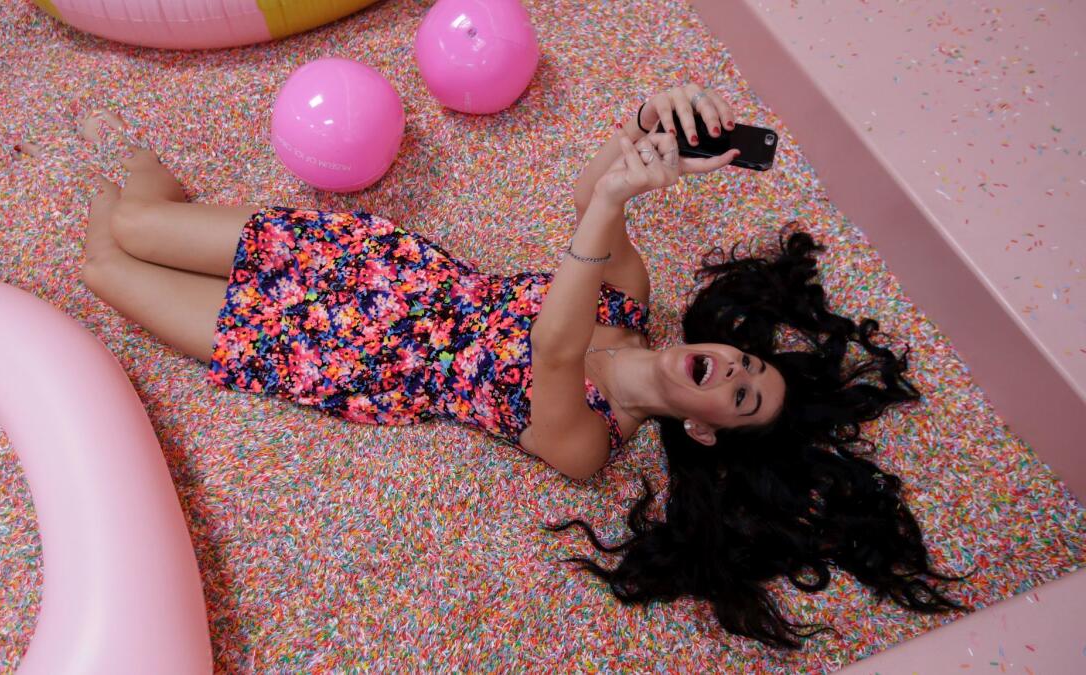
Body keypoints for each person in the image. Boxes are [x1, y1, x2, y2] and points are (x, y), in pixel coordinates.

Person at [78, 82, 966, 647]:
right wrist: (645, 130)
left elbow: (553, 347)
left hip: (344, 357)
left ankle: (137, 180)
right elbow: (590, 194)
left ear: (702, 428)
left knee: (104, 265)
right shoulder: (632, 294)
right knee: (136, 225)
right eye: (748, 364)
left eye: (740, 396)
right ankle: (128, 160)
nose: (733, 369)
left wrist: (617, 197)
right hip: (384, 270)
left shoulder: (593, 444)